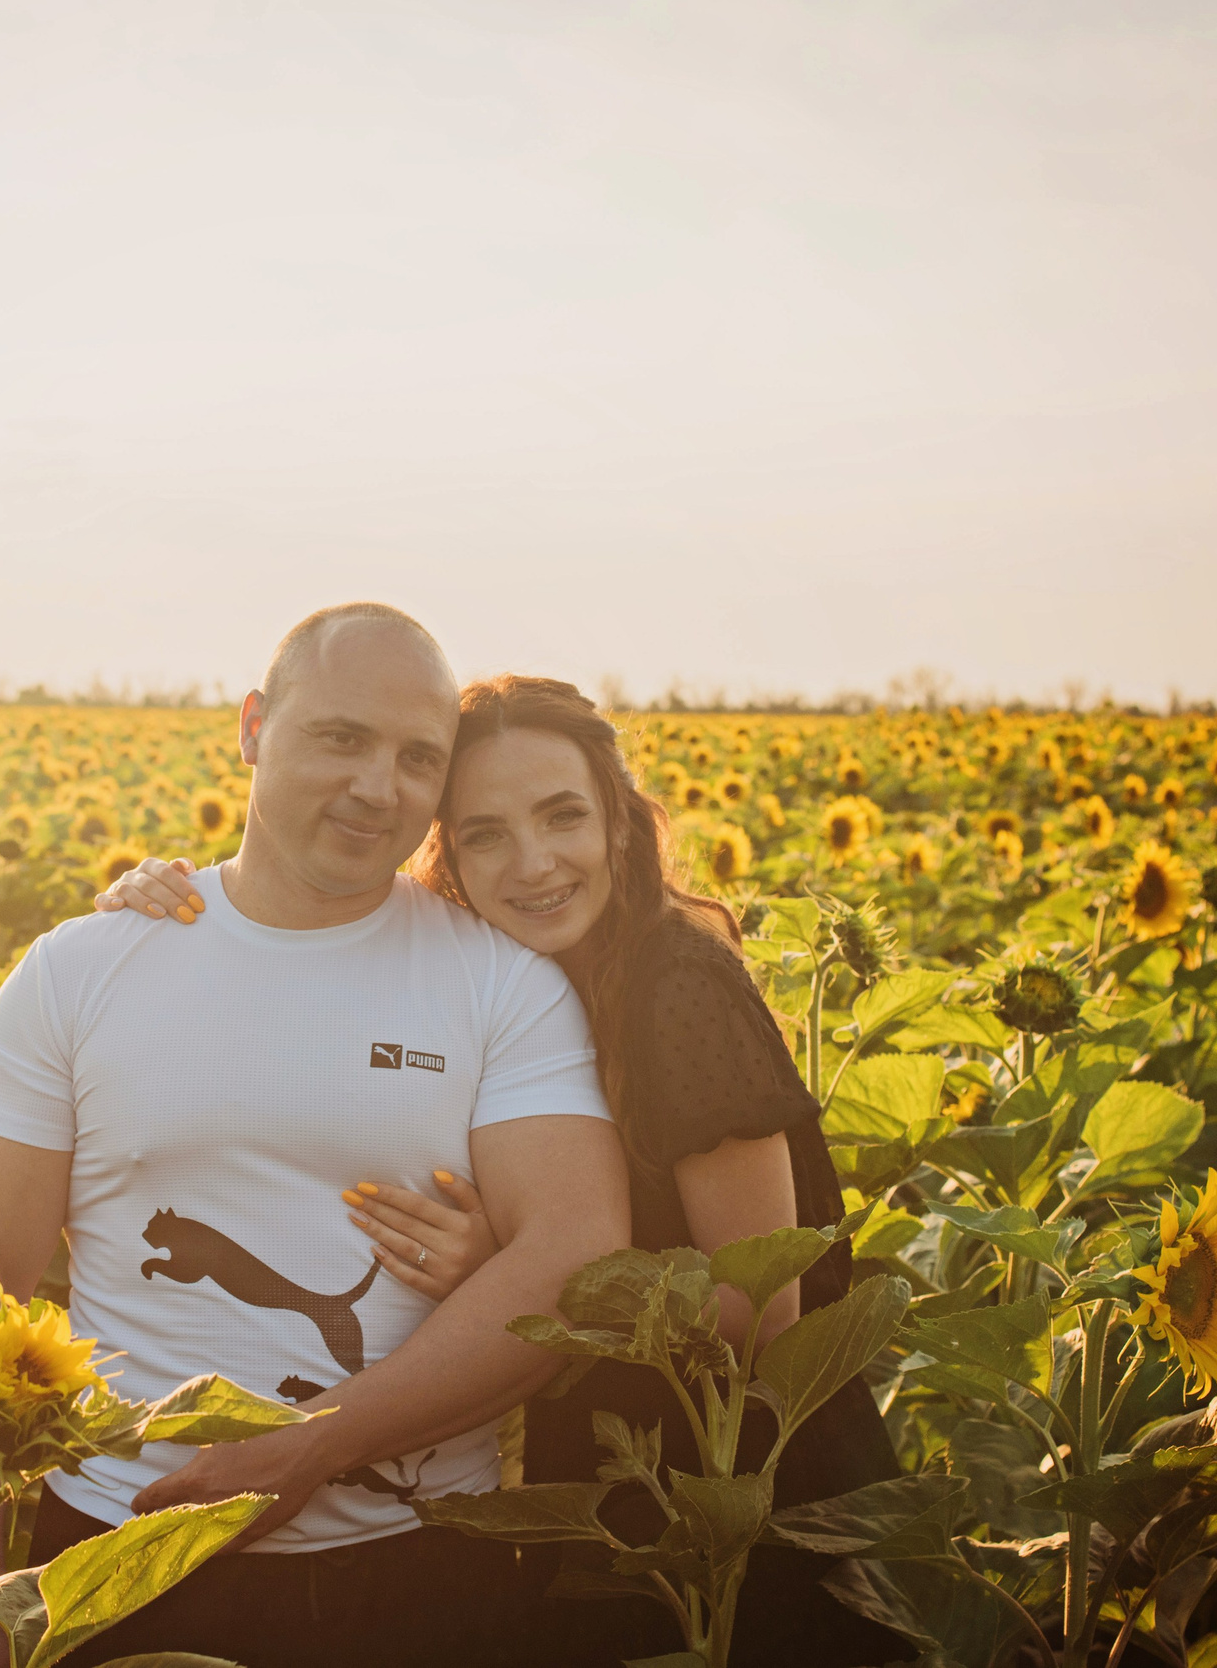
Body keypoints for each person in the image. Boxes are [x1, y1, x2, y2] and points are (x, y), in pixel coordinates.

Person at [97, 673, 906, 1667]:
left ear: (618, 822)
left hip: (748, 1509)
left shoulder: (674, 987)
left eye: (562, 815)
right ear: (446, 852)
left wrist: (532, 1278)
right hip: (620, 1492)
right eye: (484, 833)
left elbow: (759, 1307)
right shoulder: (499, 982)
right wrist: (172, 898)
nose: (534, 862)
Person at [0, 605, 632, 1668]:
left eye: (416, 758)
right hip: (118, 1563)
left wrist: (310, 1444)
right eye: (340, 737)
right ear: (254, 725)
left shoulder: (501, 980)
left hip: (423, 1572)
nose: (375, 785)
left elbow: (571, 1248)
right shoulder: (81, 969)